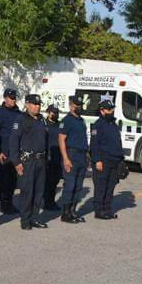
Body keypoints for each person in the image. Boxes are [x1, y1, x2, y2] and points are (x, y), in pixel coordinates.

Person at [10, 94, 49, 230]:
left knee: (38, 192)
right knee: (27, 192)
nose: (37, 107)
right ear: (27, 104)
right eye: (34, 104)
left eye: (39, 104)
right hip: (27, 162)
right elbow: (13, 142)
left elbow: (46, 141)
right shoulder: (20, 119)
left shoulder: (41, 120)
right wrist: (16, 162)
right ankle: (25, 220)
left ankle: (35, 218)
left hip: (40, 161)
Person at [90, 100, 123, 220]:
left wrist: (121, 159)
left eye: (112, 109)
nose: (111, 111)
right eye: (109, 109)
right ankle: (99, 211)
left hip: (114, 160)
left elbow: (117, 143)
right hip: (103, 160)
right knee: (101, 186)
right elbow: (94, 145)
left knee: (110, 186)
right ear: (102, 110)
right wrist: (97, 160)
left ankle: (107, 209)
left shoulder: (113, 124)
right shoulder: (98, 125)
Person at [58, 95, 88, 224]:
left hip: (81, 156)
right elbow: (61, 139)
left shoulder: (82, 120)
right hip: (71, 155)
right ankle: (65, 214)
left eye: (80, 105)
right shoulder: (67, 120)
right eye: (77, 105)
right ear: (71, 106)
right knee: (70, 185)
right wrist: (65, 158)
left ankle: (73, 211)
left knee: (78, 186)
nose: (79, 107)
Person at [0, 88, 22, 214]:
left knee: (13, 180)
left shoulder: (19, 113)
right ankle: (4, 203)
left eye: (14, 97)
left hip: (15, 153)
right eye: (11, 98)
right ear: (5, 98)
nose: (13, 100)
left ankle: (9, 202)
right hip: (3, 153)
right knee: (3, 179)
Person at [43, 105, 62, 211]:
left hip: (58, 157)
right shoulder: (44, 125)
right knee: (47, 181)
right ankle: (47, 202)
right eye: (53, 112)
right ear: (48, 112)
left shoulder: (59, 125)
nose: (55, 114)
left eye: (57, 112)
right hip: (48, 157)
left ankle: (51, 201)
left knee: (55, 181)